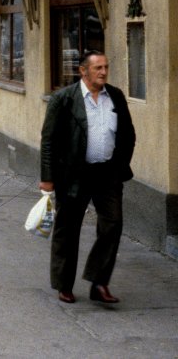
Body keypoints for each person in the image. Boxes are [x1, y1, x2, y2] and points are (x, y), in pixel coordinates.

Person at [39, 49, 136, 305]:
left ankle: (99, 282)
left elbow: (128, 134)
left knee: (113, 224)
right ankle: (64, 284)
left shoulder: (115, 96)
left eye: (106, 67)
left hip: (107, 174)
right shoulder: (64, 99)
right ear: (83, 71)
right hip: (74, 175)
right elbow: (48, 141)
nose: (103, 72)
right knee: (68, 229)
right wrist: (47, 177)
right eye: (98, 68)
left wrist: (120, 165)